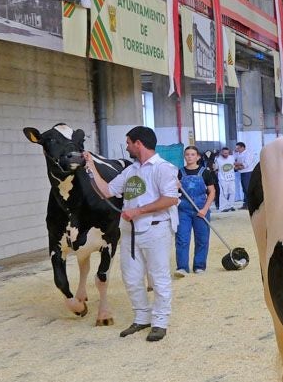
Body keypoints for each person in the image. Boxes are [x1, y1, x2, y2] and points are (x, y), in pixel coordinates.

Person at [83, 126, 180, 342]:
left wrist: (138, 210)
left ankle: (160, 322)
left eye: (128, 142)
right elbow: (107, 191)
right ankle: (142, 317)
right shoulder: (131, 170)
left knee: (158, 277)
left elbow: (170, 199)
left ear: (138, 143)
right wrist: (90, 166)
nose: (126, 146)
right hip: (129, 231)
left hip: (155, 229)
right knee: (132, 277)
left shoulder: (163, 168)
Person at [174, 146, 217, 277]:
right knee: (182, 239)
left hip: (201, 210)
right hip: (183, 210)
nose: (190, 157)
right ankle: (182, 267)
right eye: (187, 154)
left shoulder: (205, 172)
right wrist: (176, 187)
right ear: (184, 156)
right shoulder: (179, 173)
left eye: (193, 154)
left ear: (198, 157)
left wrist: (205, 209)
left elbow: (212, 192)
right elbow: (172, 192)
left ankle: (199, 266)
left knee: (202, 239)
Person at [213, 146, 241, 211]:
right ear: (221, 153)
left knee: (232, 192)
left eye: (227, 153)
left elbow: (234, 166)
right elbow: (215, 169)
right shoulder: (218, 159)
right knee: (223, 193)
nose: (226, 154)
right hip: (222, 179)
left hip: (231, 178)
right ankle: (223, 207)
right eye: (225, 153)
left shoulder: (232, 158)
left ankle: (230, 205)